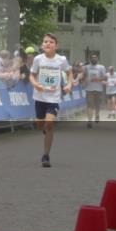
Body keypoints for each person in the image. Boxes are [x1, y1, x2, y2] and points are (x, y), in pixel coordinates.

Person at [30, 33, 72, 168]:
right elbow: (32, 75)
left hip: (53, 98)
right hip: (39, 97)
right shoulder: (38, 59)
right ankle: (44, 129)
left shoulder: (62, 60)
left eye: (51, 42)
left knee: (49, 124)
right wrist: (35, 84)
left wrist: (69, 84)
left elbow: (70, 72)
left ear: (56, 45)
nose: (48, 44)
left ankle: (46, 155)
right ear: (42, 45)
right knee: (40, 125)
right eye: (45, 41)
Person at [83, 54, 107, 126]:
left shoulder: (101, 67)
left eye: (95, 58)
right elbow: (84, 76)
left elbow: (105, 78)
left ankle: (97, 115)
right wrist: (85, 80)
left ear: (97, 59)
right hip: (89, 89)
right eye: (92, 58)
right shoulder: (86, 67)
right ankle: (89, 121)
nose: (94, 59)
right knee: (90, 105)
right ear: (90, 59)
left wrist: (98, 79)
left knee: (97, 105)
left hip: (98, 89)